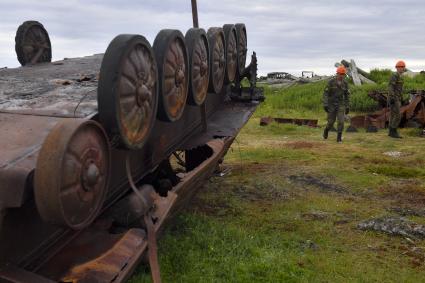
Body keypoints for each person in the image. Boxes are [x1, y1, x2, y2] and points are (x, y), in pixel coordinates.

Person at [322, 66, 350, 143]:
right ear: (337, 73)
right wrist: (325, 104)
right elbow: (326, 94)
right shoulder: (331, 82)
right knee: (331, 122)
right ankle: (326, 130)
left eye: (343, 74)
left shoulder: (345, 84)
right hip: (331, 104)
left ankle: (339, 137)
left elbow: (347, 95)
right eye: (340, 74)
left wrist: (347, 106)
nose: (341, 75)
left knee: (341, 121)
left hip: (341, 104)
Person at [388, 61, 406, 138]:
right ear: (397, 68)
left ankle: (391, 132)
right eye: (401, 67)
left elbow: (400, 89)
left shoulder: (400, 76)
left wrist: (402, 98)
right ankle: (393, 131)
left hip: (398, 98)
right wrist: (392, 97)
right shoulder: (394, 75)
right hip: (394, 98)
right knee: (398, 115)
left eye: (403, 67)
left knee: (393, 115)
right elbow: (391, 87)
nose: (402, 69)